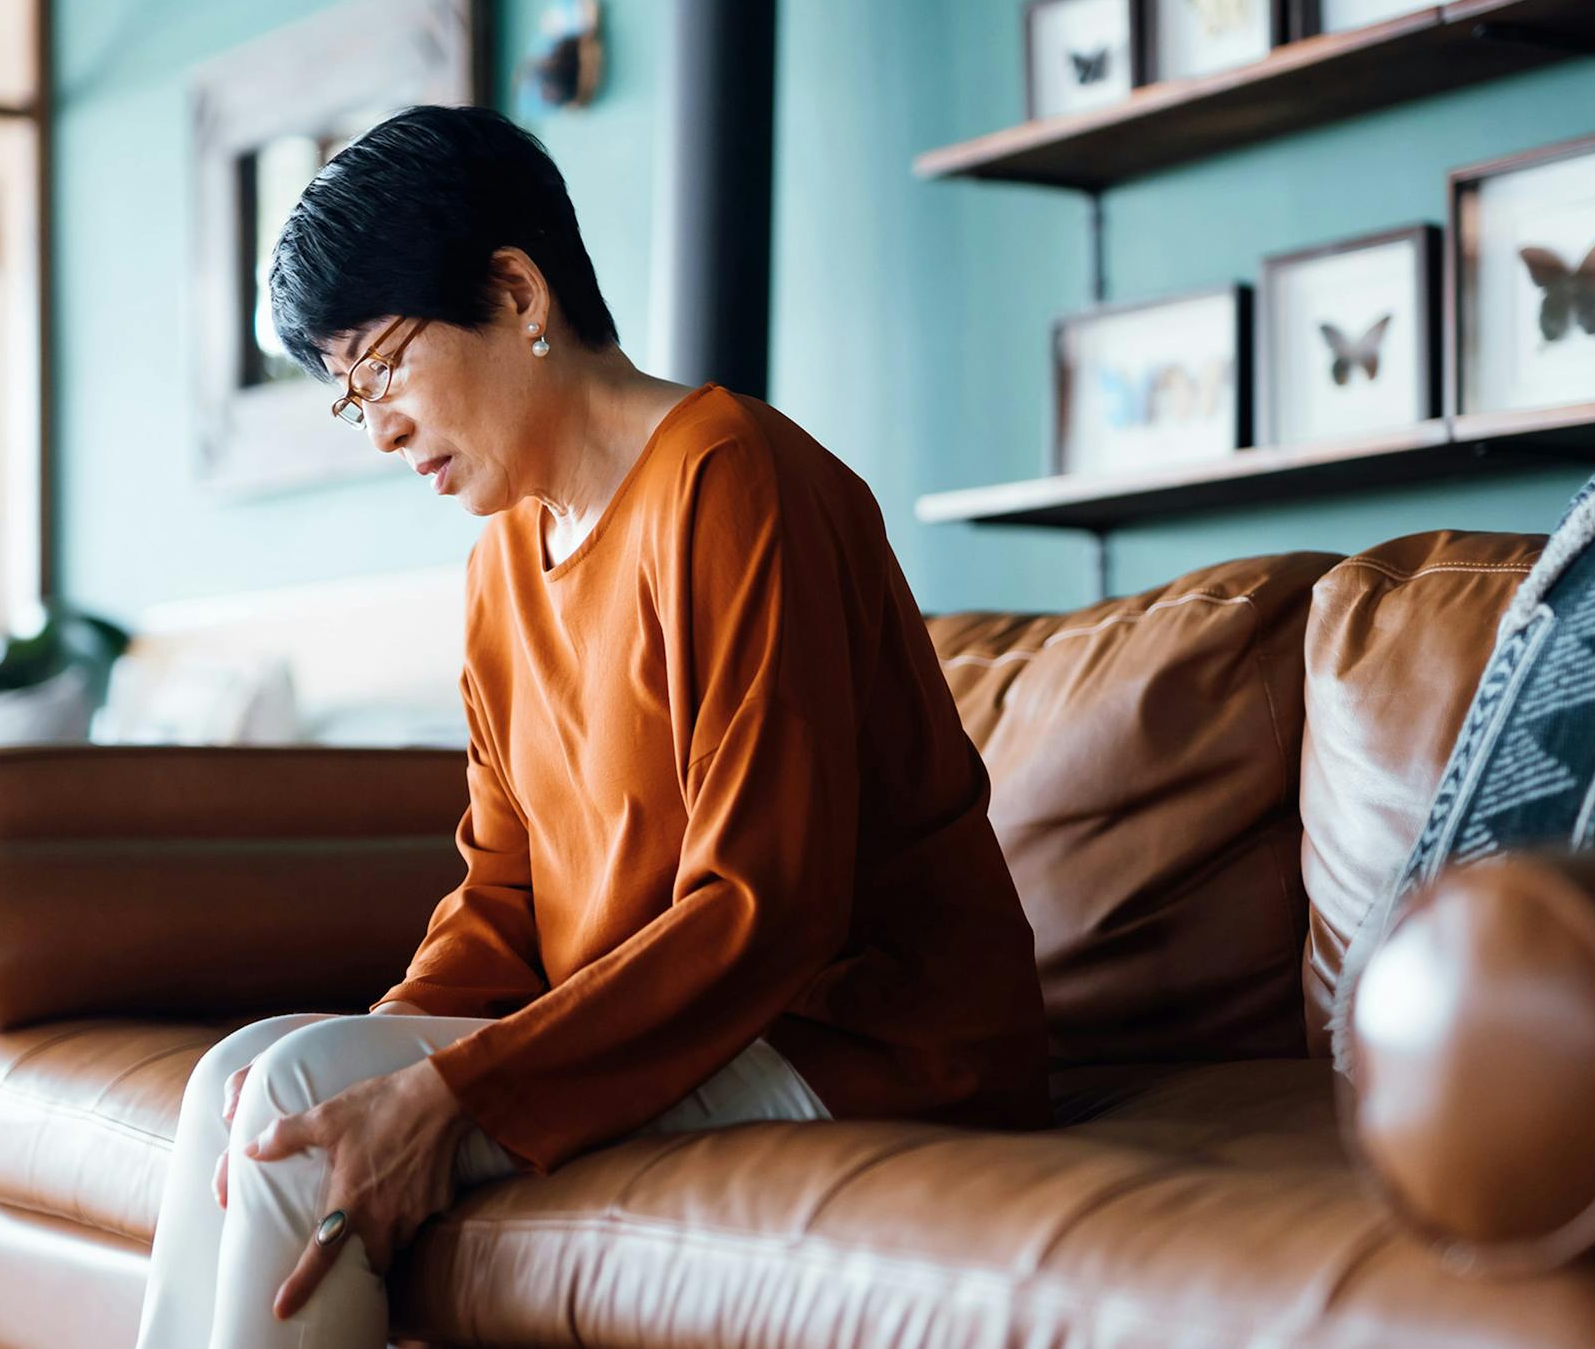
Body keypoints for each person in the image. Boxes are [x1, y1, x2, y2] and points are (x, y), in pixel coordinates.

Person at [134, 104, 1050, 1349]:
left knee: (301, 1089)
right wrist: (392, 1052)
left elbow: (762, 906)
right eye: (352, 399)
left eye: (385, 366)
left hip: (864, 1043)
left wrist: (448, 1088)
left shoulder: (734, 481)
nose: (382, 428)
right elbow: (503, 891)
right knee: (252, 1071)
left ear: (516, 290)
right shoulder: (502, 561)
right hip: (681, 1030)